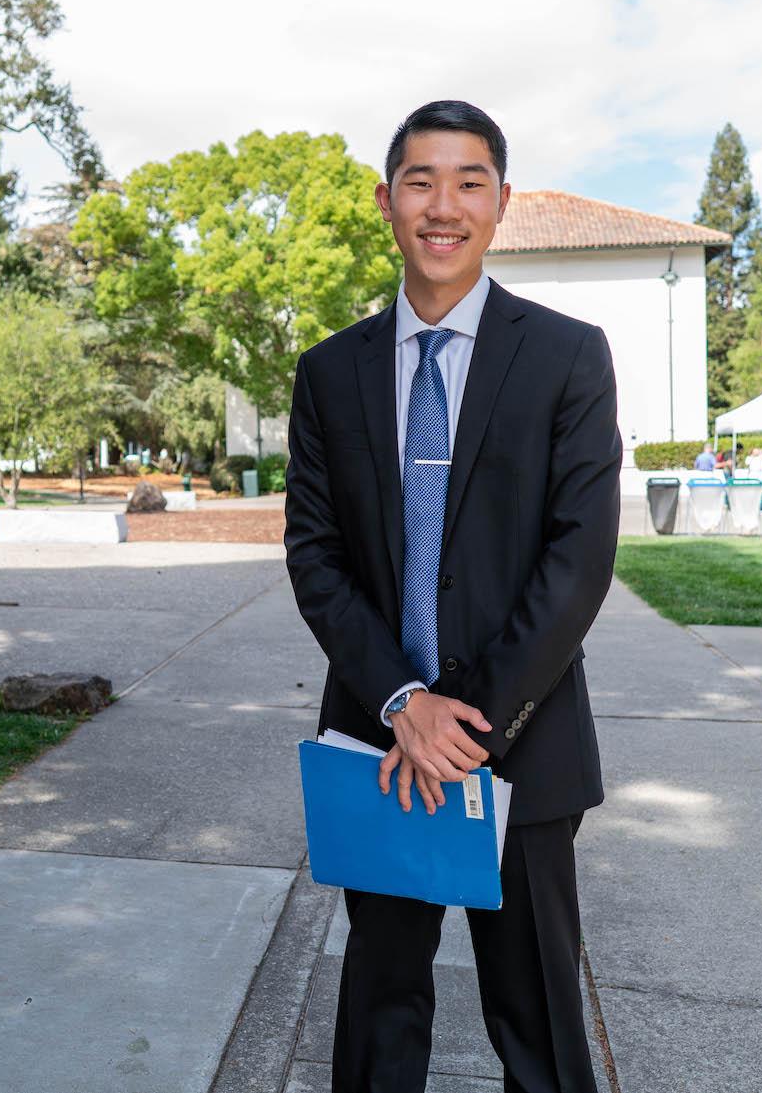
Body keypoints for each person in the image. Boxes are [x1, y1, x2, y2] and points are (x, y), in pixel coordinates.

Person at [284, 101, 614, 1093]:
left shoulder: (567, 355)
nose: (444, 204)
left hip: (524, 743)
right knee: (379, 1015)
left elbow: (579, 558)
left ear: (501, 203)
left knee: (539, 1025)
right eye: (421, 181)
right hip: (379, 749)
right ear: (387, 202)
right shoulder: (329, 372)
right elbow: (317, 556)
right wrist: (402, 703)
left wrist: (465, 720)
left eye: (470, 181)